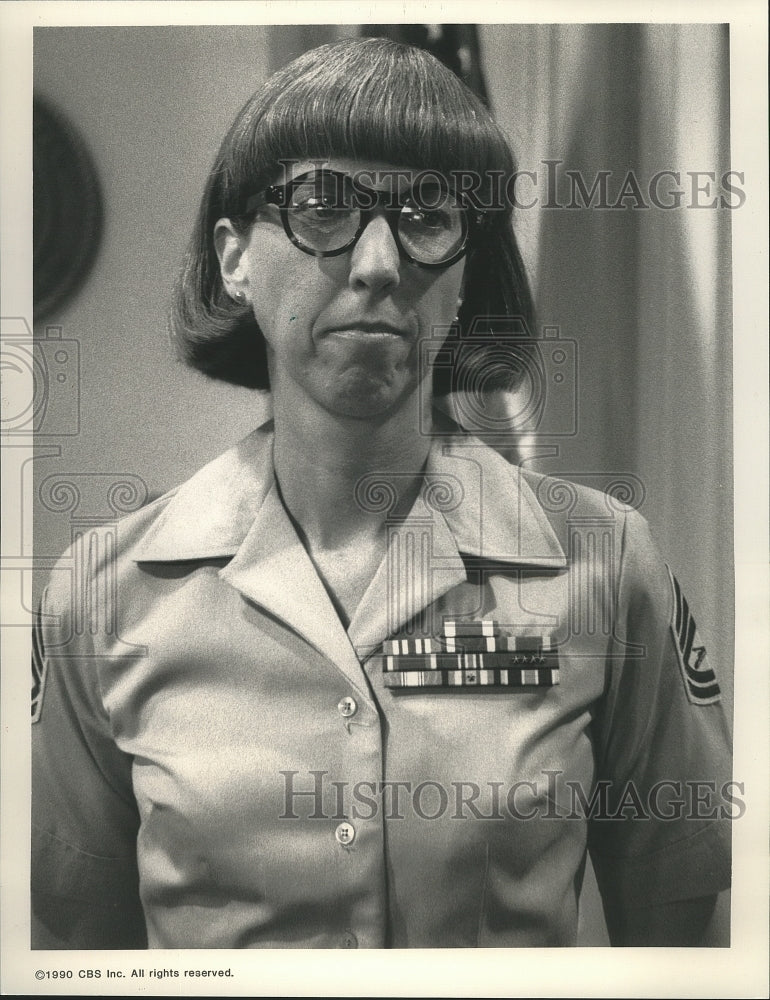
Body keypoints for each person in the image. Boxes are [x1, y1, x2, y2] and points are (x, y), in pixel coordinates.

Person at [31, 36, 732, 950]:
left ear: (466, 272)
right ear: (235, 258)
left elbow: (677, 948)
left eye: (425, 214)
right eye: (322, 204)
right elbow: (80, 951)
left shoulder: (605, 565)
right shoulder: (104, 591)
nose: (376, 262)